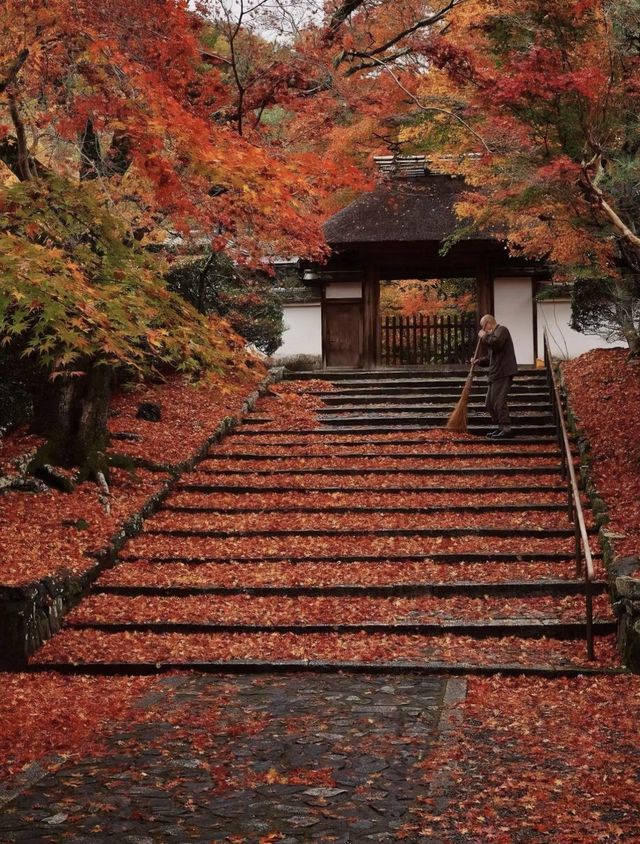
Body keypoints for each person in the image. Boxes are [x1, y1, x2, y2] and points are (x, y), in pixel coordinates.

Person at [471, 314, 518, 439]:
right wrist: (479, 361)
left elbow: (496, 344)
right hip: (495, 373)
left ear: (488, 323)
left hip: (503, 372)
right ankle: (500, 427)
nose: (484, 330)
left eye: (483, 327)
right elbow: (490, 357)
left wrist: (484, 336)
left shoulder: (502, 330)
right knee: (489, 403)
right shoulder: (492, 335)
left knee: (499, 401)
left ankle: (506, 428)